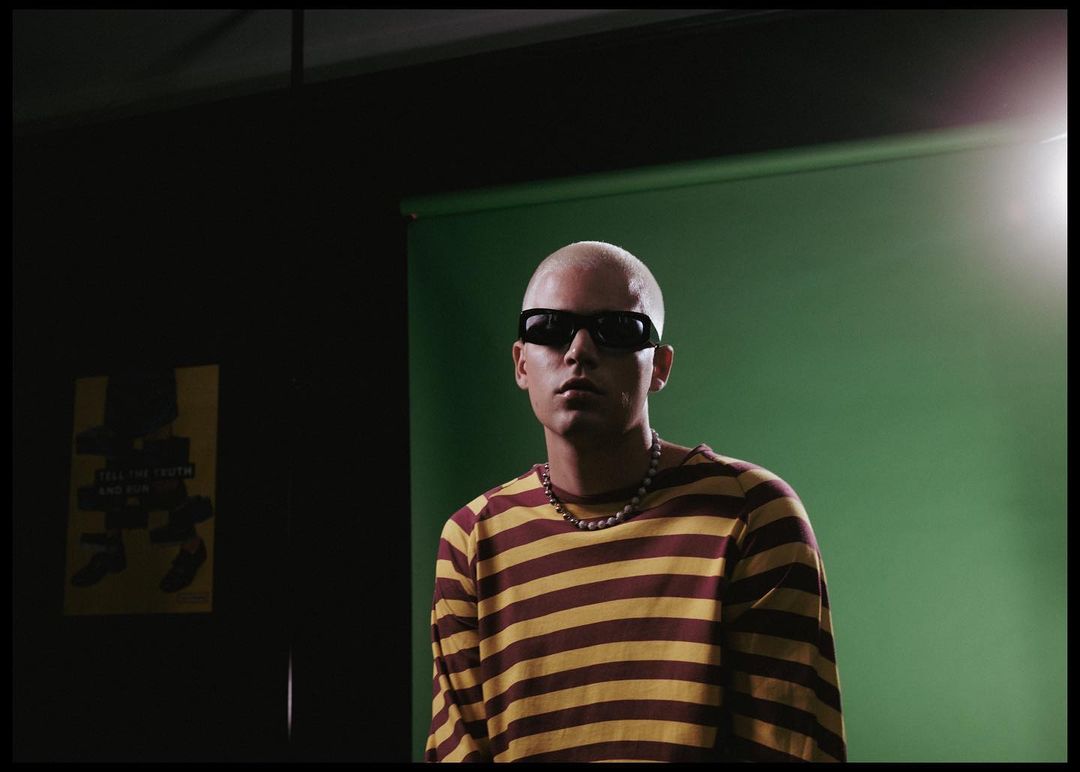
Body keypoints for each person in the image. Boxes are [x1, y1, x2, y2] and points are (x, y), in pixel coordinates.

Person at [426, 241, 846, 762]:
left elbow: (790, 748)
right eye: (549, 328)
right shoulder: (473, 540)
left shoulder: (751, 515)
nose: (579, 351)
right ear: (521, 363)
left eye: (618, 330)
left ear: (660, 367)